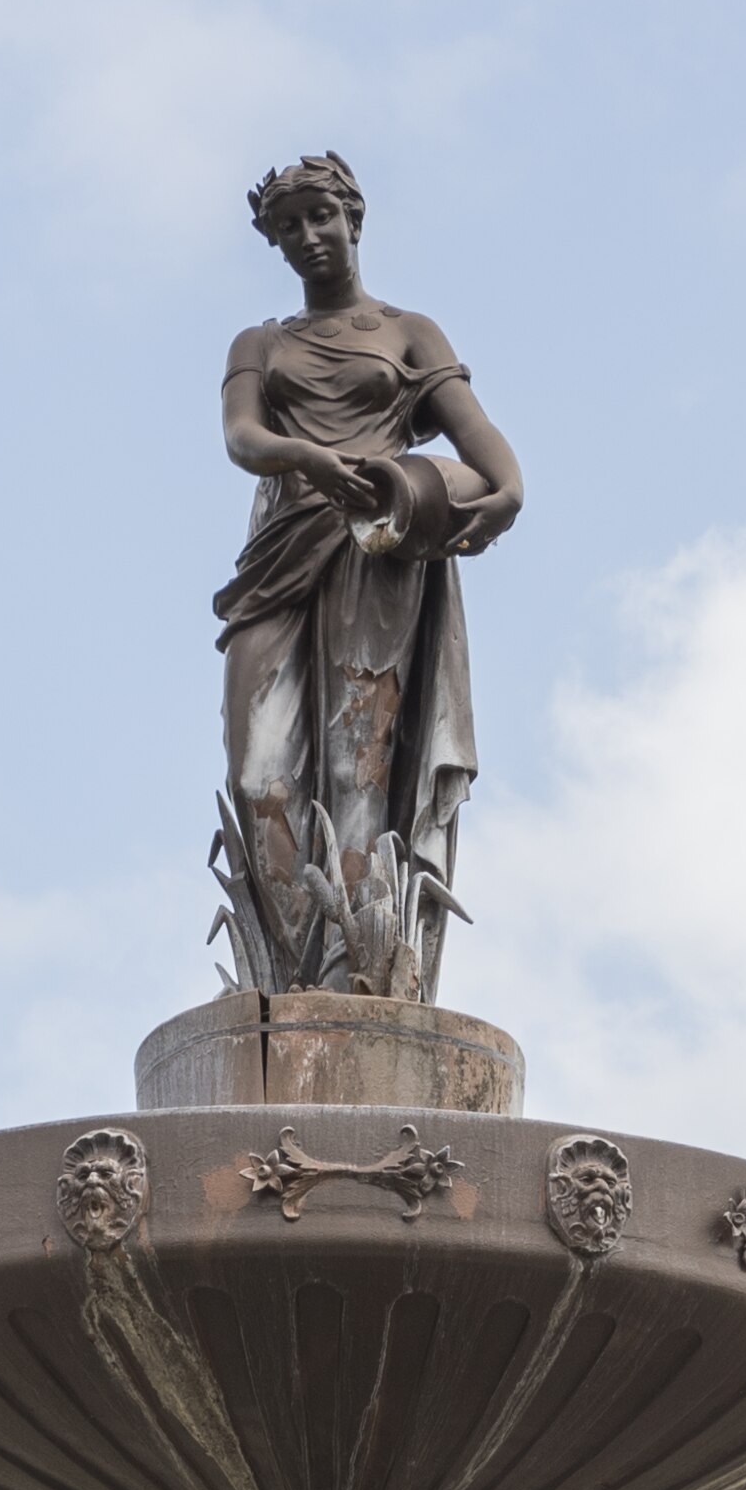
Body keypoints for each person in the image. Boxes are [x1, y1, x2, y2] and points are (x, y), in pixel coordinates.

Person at [212, 152, 524, 998]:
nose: (308, 236)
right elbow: (242, 437)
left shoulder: (408, 333)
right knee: (258, 774)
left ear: (354, 219)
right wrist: (307, 457)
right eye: (288, 226)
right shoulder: (261, 343)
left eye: (322, 216)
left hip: (376, 549)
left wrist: (500, 494)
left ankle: (358, 975)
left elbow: (482, 443)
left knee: (360, 768)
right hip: (281, 557)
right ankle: (292, 975)